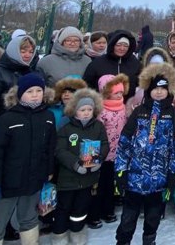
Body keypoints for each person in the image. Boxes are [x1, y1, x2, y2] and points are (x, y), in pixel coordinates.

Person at [0, 73, 57, 245]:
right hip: (8, 181)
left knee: (29, 218)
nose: (35, 94)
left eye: (39, 90)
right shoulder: (8, 118)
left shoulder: (48, 117)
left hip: (34, 179)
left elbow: (50, 148)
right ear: (20, 93)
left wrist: (49, 171)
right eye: (30, 91)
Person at [114, 63, 175, 245]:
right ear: (148, 90)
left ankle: (149, 241)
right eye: (155, 89)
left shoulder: (174, 114)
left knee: (153, 218)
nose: (159, 92)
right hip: (134, 180)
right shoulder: (139, 111)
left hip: (158, 181)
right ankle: (122, 241)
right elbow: (124, 143)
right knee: (128, 219)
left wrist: (173, 176)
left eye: (162, 89)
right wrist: (121, 171)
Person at [52, 88, 108, 245]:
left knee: (81, 209)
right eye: (82, 110)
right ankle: (59, 236)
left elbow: (104, 144)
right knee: (63, 208)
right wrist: (75, 164)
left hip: (88, 178)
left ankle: (77, 233)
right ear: (74, 110)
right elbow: (60, 150)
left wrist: (98, 160)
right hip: (68, 178)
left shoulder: (98, 126)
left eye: (89, 109)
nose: (86, 113)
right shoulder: (66, 127)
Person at [86, 74, 129, 229]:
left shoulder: (123, 106)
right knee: (98, 185)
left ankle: (108, 210)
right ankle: (94, 214)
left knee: (111, 183)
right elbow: (95, 131)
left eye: (120, 92)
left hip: (117, 152)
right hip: (101, 152)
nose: (119, 95)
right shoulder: (100, 109)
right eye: (116, 92)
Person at [0, 30, 37, 122]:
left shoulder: (30, 72)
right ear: (14, 51)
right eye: (23, 51)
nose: (27, 55)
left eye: (31, 52)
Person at [82, 30, 140, 99]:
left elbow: (140, 84)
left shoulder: (135, 63)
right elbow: (87, 85)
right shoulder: (98, 63)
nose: (122, 48)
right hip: (102, 105)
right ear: (112, 45)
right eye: (118, 45)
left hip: (127, 105)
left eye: (126, 46)